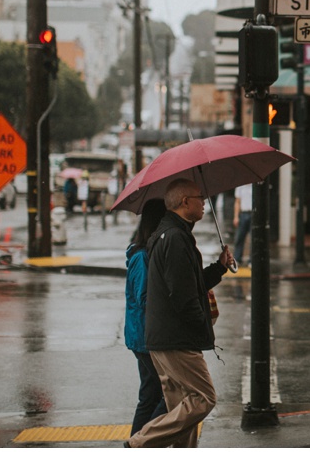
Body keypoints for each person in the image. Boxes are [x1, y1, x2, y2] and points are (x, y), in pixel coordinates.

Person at [125, 179, 234, 448]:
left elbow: (189, 283)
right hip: (176, 340)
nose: (205, 204)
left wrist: (219, 268)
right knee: (203, 398)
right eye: (200, 198)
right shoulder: (174, 238)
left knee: (181, 412)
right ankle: (139, 442)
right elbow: (183, 297)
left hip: (166, 338)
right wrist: (200, 329)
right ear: (185, 202)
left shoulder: (173, 234)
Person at [124, 199, 168, 435]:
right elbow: (144, 298)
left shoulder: (146, 253)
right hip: (144, 337)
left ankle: (135, 442)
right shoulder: (141, 257)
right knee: (169, 393)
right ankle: (143, 441)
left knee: (150, 394)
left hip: (144, 336)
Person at [232, 183, 253, 265]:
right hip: (243, 213)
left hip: (253, 213)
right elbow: (237, 202)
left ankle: (251, 260)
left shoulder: (254, 186)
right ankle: (237, 258)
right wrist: (236, 216)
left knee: (253, 238)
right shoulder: (240, 186)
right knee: (239, 237)